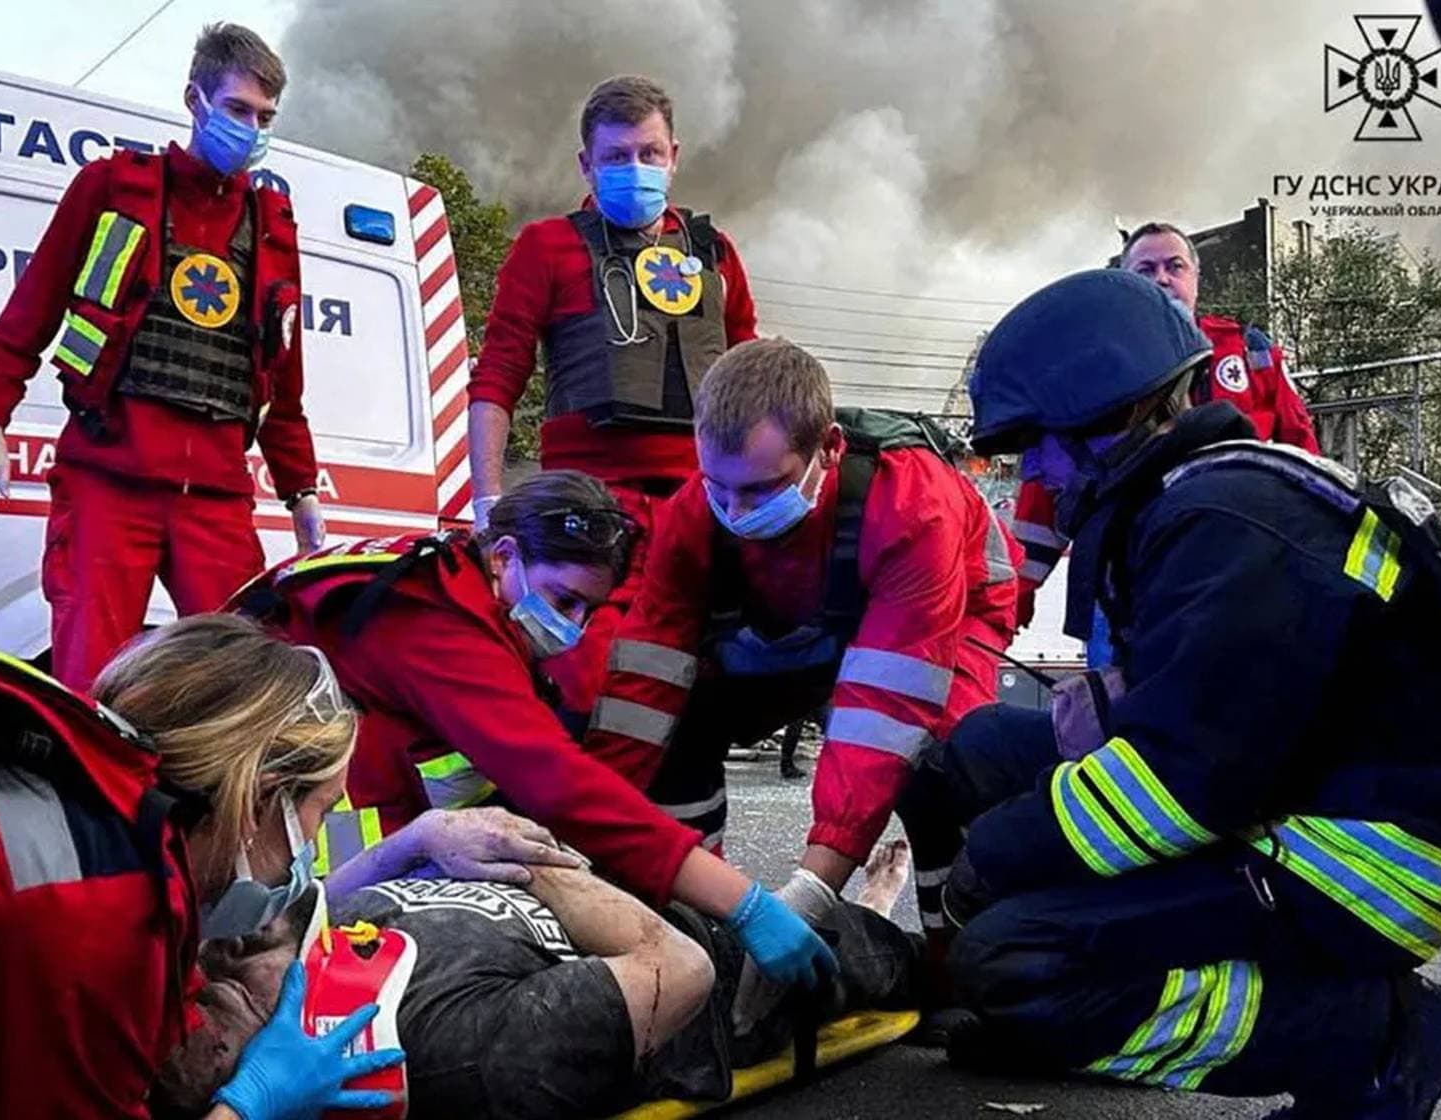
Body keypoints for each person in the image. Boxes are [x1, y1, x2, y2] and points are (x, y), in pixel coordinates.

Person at [921, 269, 1441, 1117]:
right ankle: (1016, 1005)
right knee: (974, 751)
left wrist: (1000, 857)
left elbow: (1179, 785)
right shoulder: (1190, 500)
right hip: (1296, 795)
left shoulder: (1226, 521)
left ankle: (1374, 1034)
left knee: (1015, 958)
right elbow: (1170, 715)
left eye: (1040, 440)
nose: (1036, 468)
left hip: (1367, 854)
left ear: (1115, 413)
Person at [0, 610, 578, 1119]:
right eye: (319, 816)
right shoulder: (100, 917)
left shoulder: (65, 762)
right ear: (255, 799)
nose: (308, 864)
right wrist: (253, 1103)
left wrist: (407, 848)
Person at [238, 469, 837, 992]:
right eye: (564, 599)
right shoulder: (436, 624)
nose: (573, 625)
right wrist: (743, 904)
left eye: (588, 610)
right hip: (269, 838)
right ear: (504, 556)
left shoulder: (455, 589)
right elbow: (558, 783)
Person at [586, 338, 1019, 939]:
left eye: (762, 490)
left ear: (830, 448)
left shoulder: (913, 508)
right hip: (809, 622)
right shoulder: (697, 510)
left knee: (939, 762)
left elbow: (886, 713)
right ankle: (694, 922)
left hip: (946, 617)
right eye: (718, 484)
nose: (734, 512)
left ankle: (956, 959)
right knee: (681, 724)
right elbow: (643, 686)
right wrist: (594, 829)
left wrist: (810, 890)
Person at [0, 22, 326, 692]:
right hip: (108, 479)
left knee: (242, 684)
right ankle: (91, 798)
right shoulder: (112, 190)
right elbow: (30, 312)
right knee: (89, 679)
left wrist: (301, 494)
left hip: (216, 497)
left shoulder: (271, 224)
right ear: (195, 99)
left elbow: (283, 378)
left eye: (265, 117)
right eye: (238, 110)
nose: (251, 129)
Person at [157, 841, 926, 1120]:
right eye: (222, 994)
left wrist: (416, 842)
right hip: (723, 974)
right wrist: (535, 856)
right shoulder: (460, 1050)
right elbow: (678, 969)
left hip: (631, 905)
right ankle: (874, 913)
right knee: (892, 960)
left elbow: (311, 897)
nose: (220, 956)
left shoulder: (311, 944)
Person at [466, 74, 759, 710]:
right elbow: (497, 376)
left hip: (699, 504)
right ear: (587, 164)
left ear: (674, 157)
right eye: (616, 157)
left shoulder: (716, 254)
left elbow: (750, 385)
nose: (635, 168)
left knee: (700, 683)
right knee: (590, 681)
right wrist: (488, 500)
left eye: (649, 154)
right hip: (590, 507)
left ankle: (679, 809)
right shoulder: (546, 247)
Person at [1007, 221, 1321, 630]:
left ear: (1196, 278)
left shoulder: (1250, 354)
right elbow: (1049, 493)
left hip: (1246, 577)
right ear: (1125, 286)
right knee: (1126, 691)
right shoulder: (1093, 374)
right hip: (1133, 582)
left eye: (1175, 266)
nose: (1162, 279)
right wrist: (1010, 602)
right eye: (1146, 270)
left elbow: (1305, 461)